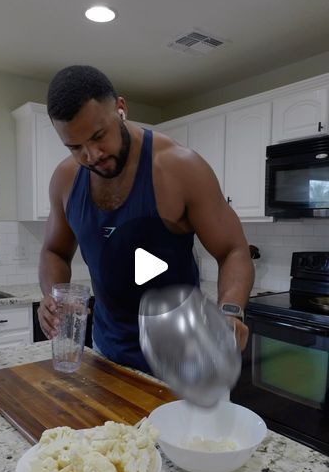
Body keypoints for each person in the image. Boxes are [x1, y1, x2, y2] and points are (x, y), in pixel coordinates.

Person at [38, 65, 254, 373]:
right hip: (107, 355)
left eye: (99, 136)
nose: (92, 155)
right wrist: (52, 294)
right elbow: (54, 251)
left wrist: (231, 312)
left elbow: (233, 250)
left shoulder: (180, 168)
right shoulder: (65, 180)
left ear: (121, 109)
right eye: (75, 147)